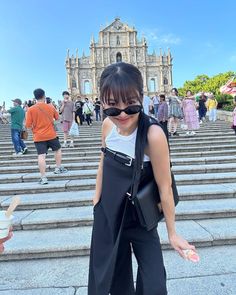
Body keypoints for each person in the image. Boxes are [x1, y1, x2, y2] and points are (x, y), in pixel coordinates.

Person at [88, 62, 196, 295]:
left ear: (141, 96)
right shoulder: (107, 125)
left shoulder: (153, 134)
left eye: (131, 104)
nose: (123, 113)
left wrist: (172, 232)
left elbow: (164, 187)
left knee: (154, 282)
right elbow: (102, 161)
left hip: (139, 216)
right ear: (102, 102)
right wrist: (96, 201)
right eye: (113, 106)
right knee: (113, 279)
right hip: (108, 213)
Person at [25, 88, 67, 185]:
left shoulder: (30, 109)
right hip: (51, 134)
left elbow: (27, 125)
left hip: (38, 136)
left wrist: (34, 131)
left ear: (35, 97)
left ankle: (43, 177)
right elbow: (58, 118)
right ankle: (58, 168)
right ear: (44, 96)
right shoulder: (50, 107)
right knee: (58, 150)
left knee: (41, 156)